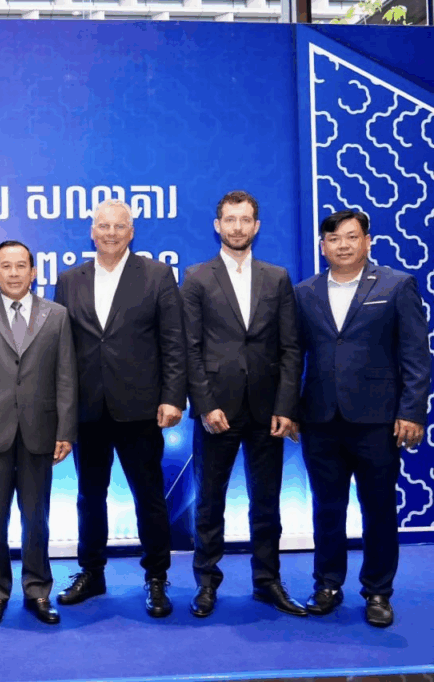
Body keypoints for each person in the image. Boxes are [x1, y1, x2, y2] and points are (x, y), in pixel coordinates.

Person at [295, 209, 429, 627]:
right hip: (320, 420)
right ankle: (327, 585)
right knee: (327, 508)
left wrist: (411, 410)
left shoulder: (396, 285)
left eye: (352, 237)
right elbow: (292, 356)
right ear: (322, 247)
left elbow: (416, 355)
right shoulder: (304, 292)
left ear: (367, 241)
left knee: (379, 509)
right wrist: (288, 409)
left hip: (378, 420)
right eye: (334, 239)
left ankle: (378, 591)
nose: (343, 245)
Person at [53, 199, 186, 618]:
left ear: (131, 232)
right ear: (92, 231)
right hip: (88, 409)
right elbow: (62, 349)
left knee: (149, 496)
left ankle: (157, 578)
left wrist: (173, 396)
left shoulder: (157, 275)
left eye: (119, 226)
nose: (110, 233)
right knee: (89, 496)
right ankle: (92, 572)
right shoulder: (69, 280)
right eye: (103, 226)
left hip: (141, 408)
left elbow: (173, 341)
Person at [181, 191, 305, 618]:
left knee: (266, 502)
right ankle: (206, 583)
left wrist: (286, 406)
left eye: (245, 219)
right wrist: (204, 404)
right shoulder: (196, 278)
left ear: (257, 226)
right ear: (218, 225)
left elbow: (291, 347)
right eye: (230, 219)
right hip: (217, 410)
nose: (237, 227)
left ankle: (267, 581)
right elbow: (190, 348)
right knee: (209, 501)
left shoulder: (277, 277)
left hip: (268, 411)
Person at [0, 240, 77, 626]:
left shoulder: (56, 315)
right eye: (5, 266)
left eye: (21, 265)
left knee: (36, 517)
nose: (13, 273)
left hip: (40, 431)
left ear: (33, 272)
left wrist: (66, 429)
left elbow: (66, 375)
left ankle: (38, 590)